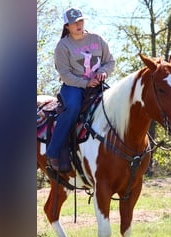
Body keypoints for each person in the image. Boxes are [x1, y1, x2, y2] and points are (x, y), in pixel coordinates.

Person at [46, 7, 115, 173]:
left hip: (97, 84)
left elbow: (110, 61)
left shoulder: (97, 39)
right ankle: (53, 153)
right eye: (74, 23)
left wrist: (103, 72)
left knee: (114, 106)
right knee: (73, 108)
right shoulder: (63, 46)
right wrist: (85, 83)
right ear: (67, 26)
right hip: (73, 87)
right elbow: (64, 74)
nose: (78, 24)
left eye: (81, 21)